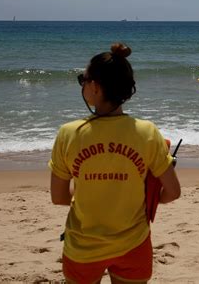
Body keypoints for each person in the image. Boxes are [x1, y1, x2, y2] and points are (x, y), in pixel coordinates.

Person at [49, 42, 181, 284]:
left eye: (83, 79)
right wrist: (146, 199)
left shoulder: (69, 134)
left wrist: (90, 192)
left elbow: (58, 197)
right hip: (133, 244)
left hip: (83, 247)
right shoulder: (147, 133)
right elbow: (173, 192)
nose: (82, 84)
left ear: (96, 87)